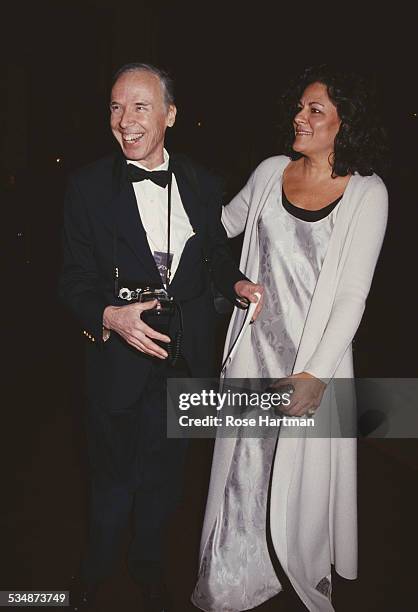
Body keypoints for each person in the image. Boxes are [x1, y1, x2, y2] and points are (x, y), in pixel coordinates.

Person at [59, 62, 260, 611]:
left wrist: (236, 279)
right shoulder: (86, 187)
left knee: (165, 482)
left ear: (170, 114)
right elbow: (71, 280)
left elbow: (216, 255)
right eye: (115, 107)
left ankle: (147, 567)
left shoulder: (202, 180)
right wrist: (108, 316)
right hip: (116, 361)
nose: (124, 121)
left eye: (139, 107)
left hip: (185, 359)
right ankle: (93, 572)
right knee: (110, 481)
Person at [192, 65, 388, 612]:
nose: (298, 117)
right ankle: (235, 576)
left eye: (314, 110)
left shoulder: (368, 193)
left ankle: (295, 569)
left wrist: (316, 375)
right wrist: (170, 192)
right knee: (243, 472)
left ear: (344, 126)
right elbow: (217, 228)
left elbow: (353, 296)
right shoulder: (269, 172)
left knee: (300, 482)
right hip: (253, 353)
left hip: (310, 362)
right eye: (299, 107)